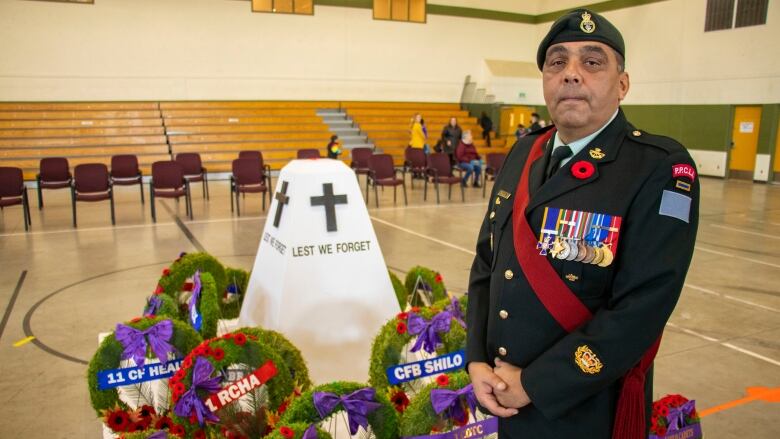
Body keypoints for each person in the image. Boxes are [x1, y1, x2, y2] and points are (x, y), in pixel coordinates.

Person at [466, 9, 699, 439]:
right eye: (557, 62)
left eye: (592, 62)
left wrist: (535, 384)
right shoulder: (524, 152)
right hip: (503, 393)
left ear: (622, 84)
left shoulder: (658, 167)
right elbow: (488, 263)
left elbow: (643, 306)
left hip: (586, 406)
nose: (571, 74)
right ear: (544, 81)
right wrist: (476, 358)